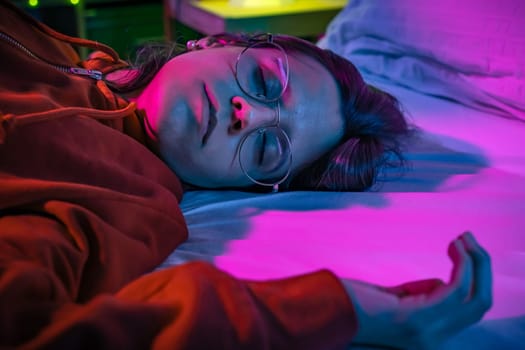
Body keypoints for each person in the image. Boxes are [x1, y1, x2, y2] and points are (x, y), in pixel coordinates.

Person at [0, 0, 492, 349]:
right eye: (263, 82)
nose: (248, 117)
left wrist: (340, 309)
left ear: (237, 186)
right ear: (215, 41)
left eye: (266, 148)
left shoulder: (121, 206)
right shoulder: (52, 50)